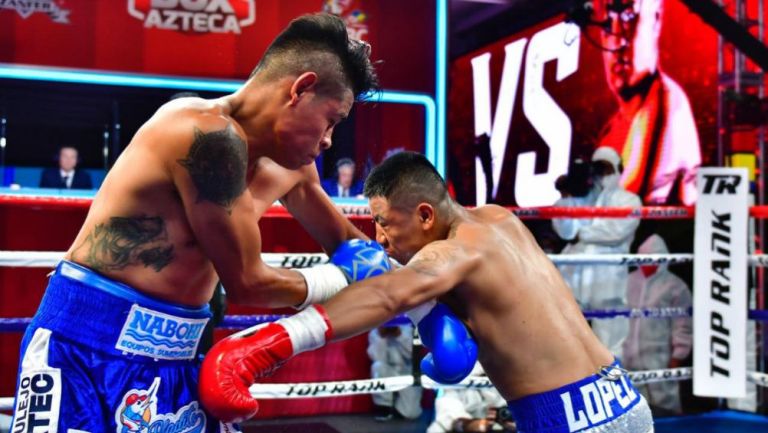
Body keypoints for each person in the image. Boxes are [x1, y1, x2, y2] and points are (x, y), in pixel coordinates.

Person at [10, 14, 387, 433]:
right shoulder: (204, 134)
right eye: (331, 119)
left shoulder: (294, 167)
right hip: (86, 346)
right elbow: (247, 282)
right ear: (299, 89)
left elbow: (355, 252)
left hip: (180, 358)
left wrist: (428, 287)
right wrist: (342, 278)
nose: (329, 140)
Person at [200, 152, 655, 433]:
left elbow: (385, 296)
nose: (379, 237)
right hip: (622, 398)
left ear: (423, 215)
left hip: (570, 421)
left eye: (384, 222)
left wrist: (266, 344)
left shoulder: (449, 257)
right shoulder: (499, 219)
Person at [596, 0, 701, 205]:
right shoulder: (614, 127)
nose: (617, 42)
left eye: (629, 19)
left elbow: (627, 200)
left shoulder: (666, 101)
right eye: (607, 26)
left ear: (655, 20)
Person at [553, 146, 642, 358]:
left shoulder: (629, 200)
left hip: (607, 276)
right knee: (565, 334)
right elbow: (565, 231)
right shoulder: (582, 197)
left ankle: (612, 385)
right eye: (597, 167)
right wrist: (567, 195)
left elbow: (615, 232)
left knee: (610, 338)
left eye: (606, 167)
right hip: (573, 273)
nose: (602, 173)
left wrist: (581, 234)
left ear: (618, 169)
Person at [623, 234, 692, 415]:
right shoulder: (628, 281)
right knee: (632, 405)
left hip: (660, 356)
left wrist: (678, 354)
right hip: (627, 354)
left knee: (665, 403)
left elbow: (683, 323)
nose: (647, 264)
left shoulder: (675, 285)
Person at [367, 324, 422, 421]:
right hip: (388, 370)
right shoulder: (375, 331)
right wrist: (381, 337)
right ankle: (383, 406)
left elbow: (413, 355)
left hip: (408, 371)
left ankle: (397, 405)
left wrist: (399, 336)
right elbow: (377, 358)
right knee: (378, 367)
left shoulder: (411, 328)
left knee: (410, 413)